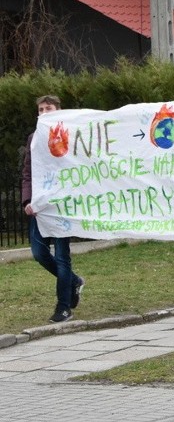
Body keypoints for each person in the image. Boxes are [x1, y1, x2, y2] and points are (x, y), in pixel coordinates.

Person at [21, 95, 85, 323]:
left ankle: (63, 307)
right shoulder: (34, 140)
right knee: (39, 253)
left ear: (59, 110)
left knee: (61, 257)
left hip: (63, 207)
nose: (44, 112)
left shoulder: (71, 135)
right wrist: (28, 201)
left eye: (49, 108)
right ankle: (74, 281)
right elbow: (28, 173)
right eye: (41, 109)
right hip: (40, 207)